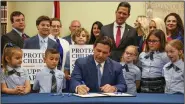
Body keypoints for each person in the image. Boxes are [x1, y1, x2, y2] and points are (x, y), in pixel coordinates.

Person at [64, 28, 90, 92]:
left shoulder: (91, 51)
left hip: (88, 80)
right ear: (74, 38)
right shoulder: (69, 52)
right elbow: (66, 67)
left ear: (87, 38)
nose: (80, 37)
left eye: (83, 36)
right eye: (78, 36)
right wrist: (66, 75)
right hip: (74, 79)